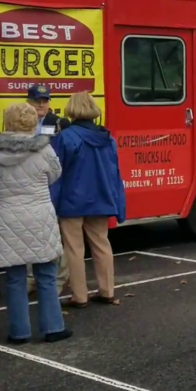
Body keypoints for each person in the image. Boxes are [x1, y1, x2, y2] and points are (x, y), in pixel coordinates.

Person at [0, 103, 71, 343]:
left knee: (15, 279)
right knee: (47, 275)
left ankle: (19, 332)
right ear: (31, 123)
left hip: (5, 219)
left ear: (6, 122)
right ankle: (53, 328)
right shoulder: (44, 151)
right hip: (40, 216)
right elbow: (55, 174)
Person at [51, 92, 126, 308]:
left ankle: (79, 296)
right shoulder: (107, 138)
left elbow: (57, 174)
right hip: (101, 198)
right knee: (102, 244)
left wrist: (52, 204)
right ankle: (107, 291)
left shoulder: (65, 137)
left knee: (74, 249)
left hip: (72, 200)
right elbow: (115, 173)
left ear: (72, 109)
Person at [25, 84, 70, 296]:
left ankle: (58, 281)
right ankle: (32, 279)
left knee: (57, 235)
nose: (41, 104)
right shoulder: (22, 123)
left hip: (55, 184)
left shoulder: (60, 123)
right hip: (30, 186)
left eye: (45, 100)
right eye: (37, 100)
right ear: (28, 102)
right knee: (32, 233)